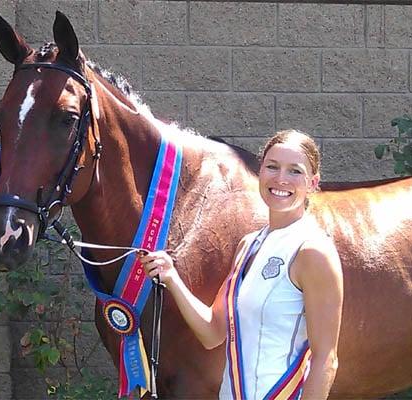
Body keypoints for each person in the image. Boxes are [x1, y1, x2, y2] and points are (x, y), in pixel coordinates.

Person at [140, 130, 343, 399]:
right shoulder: (249, 245)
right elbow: (212, 332)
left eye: (295, 171)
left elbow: (326, 360)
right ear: (260, 172)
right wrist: (171, 277)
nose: (281, 178)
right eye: (272, 167)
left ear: (313, 183)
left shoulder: (312, 251)